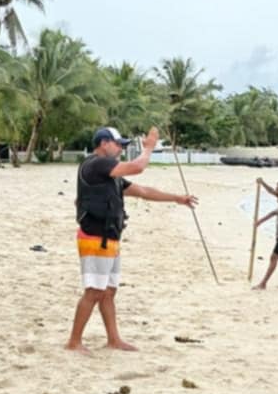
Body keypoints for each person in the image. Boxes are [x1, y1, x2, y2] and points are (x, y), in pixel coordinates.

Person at [66, 127, 198, 353]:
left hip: (110, 237)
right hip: (95, 237)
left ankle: (113, 339)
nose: (121, 149)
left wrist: (177, 198)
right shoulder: (96, 164)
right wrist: (148, 148)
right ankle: (74, 342)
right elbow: (138, 167)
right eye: (119, 144)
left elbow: (143, 191)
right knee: (94, 291)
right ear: (104, 143)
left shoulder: (111, 174)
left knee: (108, 291)